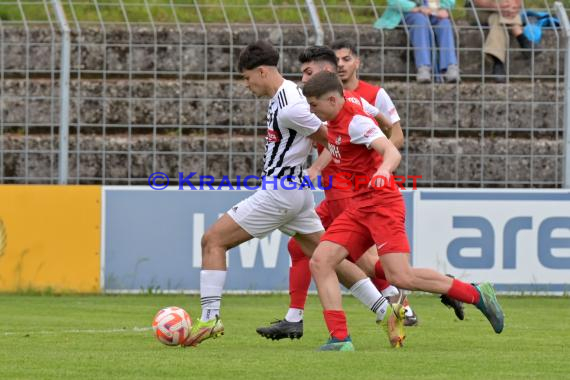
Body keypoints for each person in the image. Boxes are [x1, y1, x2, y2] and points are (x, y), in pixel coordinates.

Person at [184, 40, 401, 348]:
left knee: (212, 240)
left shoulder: (291, 105)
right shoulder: (286, 95)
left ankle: (210, 318)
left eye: (246, 78)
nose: (246, 85)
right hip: (295, 194)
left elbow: (334, 137)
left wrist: (360, 166)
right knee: (330, 260)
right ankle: (385, 310)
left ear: (261, 72)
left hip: (280, 193)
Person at [303, 71, 504, 351]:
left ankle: (477, 293)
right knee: (321, 260)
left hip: (382, 204)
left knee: (400, 277)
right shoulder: (349, 104)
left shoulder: (357, 122)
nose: (311, 111)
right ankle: (340, 339)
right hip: (359, 205)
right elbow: (382, 120)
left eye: (314, 105)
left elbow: (392, 151)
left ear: (333, 99)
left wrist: (383, 170)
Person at [332, 38, 465, 323]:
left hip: (367, 187)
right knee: (326, 252)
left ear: (357, 62)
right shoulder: (325, 98)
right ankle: (425, 290)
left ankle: (400, 305)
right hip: (337, 184)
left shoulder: (374, 94)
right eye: (336, 61)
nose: (341, 65)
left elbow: (397, 135)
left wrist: (380, 162)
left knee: (355, 257)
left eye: (346, 59)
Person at [374, 0, 460, 83]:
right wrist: (417, 8)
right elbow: (393, 1)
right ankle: (423, 68)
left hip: (434, 11)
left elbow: (449, 1)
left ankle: (450, 67)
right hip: (408, 12)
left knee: (444, 23)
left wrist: (442, 8)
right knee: (420, 20)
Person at [468, 0, 537, 83]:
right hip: (480, 9)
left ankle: (498, 63)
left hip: (503, 11)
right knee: (499, 16)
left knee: (497, 18)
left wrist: (514, 6)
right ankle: (522, 39)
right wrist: (496, 6)